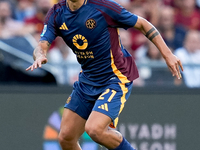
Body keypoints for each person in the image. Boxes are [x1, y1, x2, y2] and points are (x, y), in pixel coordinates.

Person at [26, 0, 183, 150]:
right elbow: (41, 46)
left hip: (115, 77)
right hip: (88, 79)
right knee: (65, 138)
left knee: (95, 129)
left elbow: (142, 24)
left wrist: (168, 55)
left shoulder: (103, 7)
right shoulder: (56, 13)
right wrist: (39, 55)